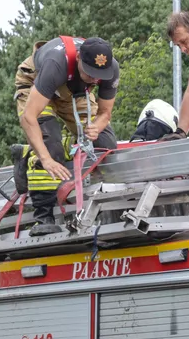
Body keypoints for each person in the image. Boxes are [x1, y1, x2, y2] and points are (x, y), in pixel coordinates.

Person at [11, 36, 120, 229]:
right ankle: (43, 216)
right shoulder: (55, 64)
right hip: (35, 83)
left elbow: (105, 113)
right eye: (91, 74)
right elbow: (29, 117)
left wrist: (96, 127)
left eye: (99, 75)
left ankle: (34, 150)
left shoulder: (110, 70)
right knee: (50, 149)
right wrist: (45, 158)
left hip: (72, 91)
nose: (96, 79)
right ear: (78, 58)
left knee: (105, 143)